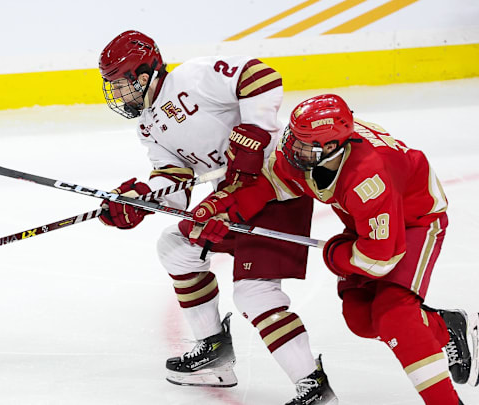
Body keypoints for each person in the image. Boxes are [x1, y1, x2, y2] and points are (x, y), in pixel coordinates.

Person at [191, 93, 479, 404]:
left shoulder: (369, 177)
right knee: (360, 318)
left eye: (302, 142)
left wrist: (336, 254)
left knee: (395, 315)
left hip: (414, 222)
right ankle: (446, 327)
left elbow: (380, 258)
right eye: (294, 135)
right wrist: (222, 207)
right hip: (368, 228)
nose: (291, 145)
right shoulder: (313, 152)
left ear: (331, 147)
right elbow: (273, 183)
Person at [97, 31, 337, 405]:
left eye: (120, 85)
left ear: (143, 75)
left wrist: (256, 130)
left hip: (274, 186)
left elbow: (261, 76)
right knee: (176, 250)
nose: (118, 95)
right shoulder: (148, 126)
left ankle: (314, 387)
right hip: (229, 199)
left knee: (255, 292)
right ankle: (214, 352)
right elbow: (174, 185)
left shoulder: (192, 78)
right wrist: (140, 199)